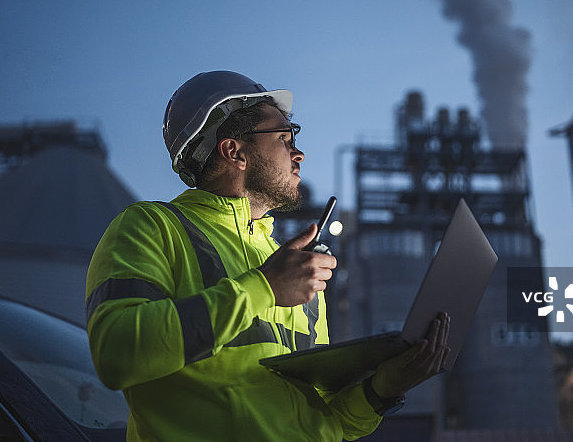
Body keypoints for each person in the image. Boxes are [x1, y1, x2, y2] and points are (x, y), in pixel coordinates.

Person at [85, 71, 450, 441]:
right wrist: (263, 287)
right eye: (283, 138)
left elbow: (329, 420)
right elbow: (116, 354)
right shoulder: (153, 227)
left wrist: (383, 389)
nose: (299, 153)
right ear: (234, 152)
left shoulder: (289, 265)